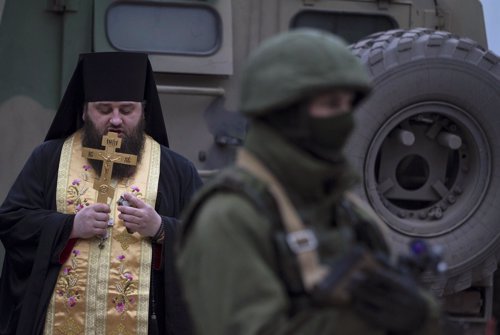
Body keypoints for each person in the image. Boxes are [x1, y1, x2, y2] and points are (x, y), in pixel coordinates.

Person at [177, 28, 443, 334]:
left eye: (348, 105)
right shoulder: (230, 217)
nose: (345, 119)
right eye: (331, 105)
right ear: (283, 111)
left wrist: (421, 315)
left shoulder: (348, 210)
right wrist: (367, 322)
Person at [0, 52, 202, 334]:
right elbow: (11, 221)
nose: (116, 121)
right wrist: (69, 226)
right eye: (104, 110)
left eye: (127, 110)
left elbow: (214, 240)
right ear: (84, 111)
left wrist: (160, 228)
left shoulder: (175, 169)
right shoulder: (49, 159)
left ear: (143, 111)